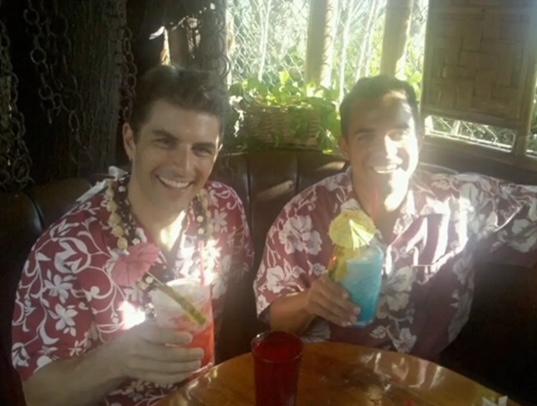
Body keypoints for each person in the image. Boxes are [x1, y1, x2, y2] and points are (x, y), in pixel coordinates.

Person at [11, 64, 254, 406]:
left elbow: (243, 304)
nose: (183, 167)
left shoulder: (224, 208)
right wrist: (115, 359)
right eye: (165, 141)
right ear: (130, 140)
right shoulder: (65, 250)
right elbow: (39, 395)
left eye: (201, 149)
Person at [254, 75, 537, 361]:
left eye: (399, 133)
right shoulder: (303, 216)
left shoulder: (462, 202)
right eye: (367, 136)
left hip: (426, 379)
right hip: (328, 372)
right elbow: (278, 322)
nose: (386, 150)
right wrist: (309, 301)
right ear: (345, 147)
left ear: (420, 140)